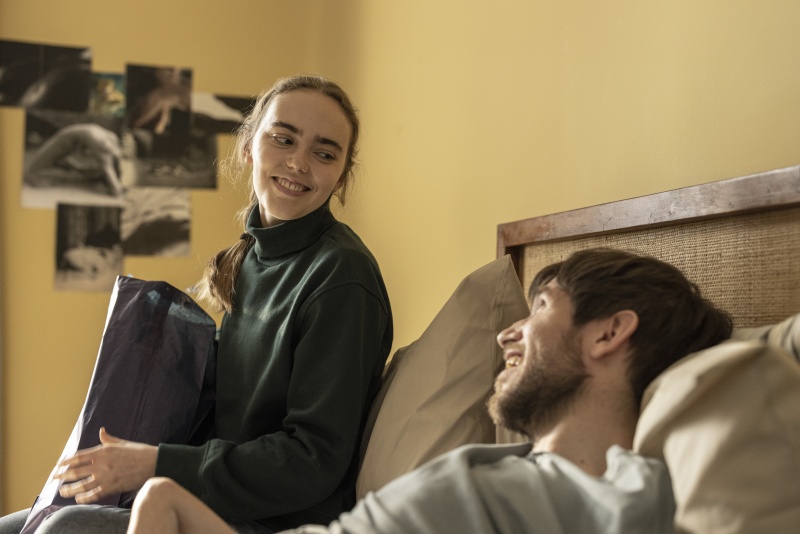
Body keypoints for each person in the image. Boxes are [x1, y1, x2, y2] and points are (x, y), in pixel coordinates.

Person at [0, 74, 393, 534]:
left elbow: (312, 461)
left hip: (276, 522)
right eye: (284, 139)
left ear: (341, 174)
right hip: (210, 499)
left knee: (65, 528)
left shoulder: (342, 276)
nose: (298, 163)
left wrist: (156, 464)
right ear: (248, 147)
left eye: (324, 153)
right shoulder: (254, 258)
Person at [121, 248, 731, 533]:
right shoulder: (499, 467)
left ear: (609, 333)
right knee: (156, 499)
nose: (507, 333)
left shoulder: (625, 495)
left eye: (542, 307)